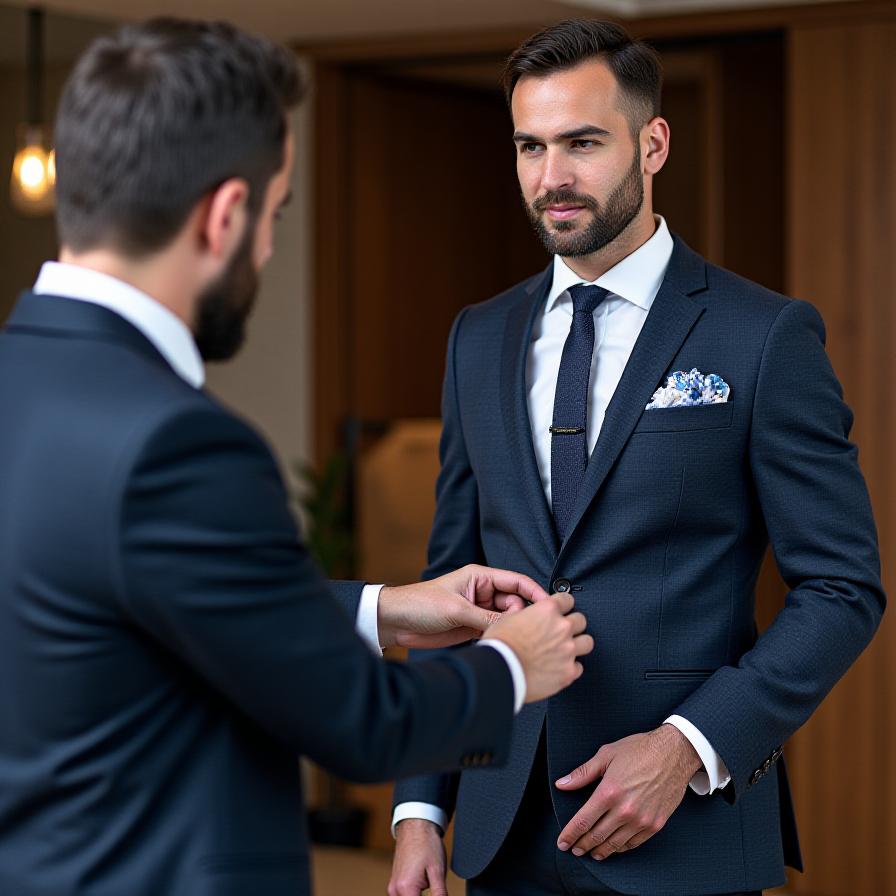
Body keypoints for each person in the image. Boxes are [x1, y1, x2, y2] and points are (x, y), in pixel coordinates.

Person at [0, 19, 595, 896]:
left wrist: (383, 611)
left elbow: (118, 603)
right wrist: (512, 664)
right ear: (225, 216)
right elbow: (361, 724)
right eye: (274, 216)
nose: (270, 249)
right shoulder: (180, 443)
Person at [389, 18, 884, 896]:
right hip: (503, 832)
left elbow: (842, 587)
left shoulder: (763, 335)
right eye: (531, 146)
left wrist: (687, 748)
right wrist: (420, 810)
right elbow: (450, 592)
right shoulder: (479, 337)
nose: (552, 177)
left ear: (652, 144)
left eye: (582, 143)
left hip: (680, 833)